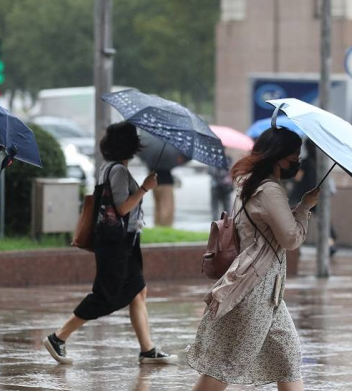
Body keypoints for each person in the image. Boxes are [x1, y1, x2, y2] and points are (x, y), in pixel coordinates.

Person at [187, 127, 319, 391]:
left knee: (288, 358)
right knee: (226, 364)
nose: (297, 161)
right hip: (255, 288)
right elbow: (291, 238)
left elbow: (268, 226)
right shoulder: (270, 190)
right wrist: (305, 207)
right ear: (279, 156)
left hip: (269, 290)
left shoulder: (251, 182)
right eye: (294, 155)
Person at [43, 121, 177, 365]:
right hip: (116, 244)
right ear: (129, 145)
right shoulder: (117, 171)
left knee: (138, 291)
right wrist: (145, 188)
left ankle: (147, 350)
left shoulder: (110, 168)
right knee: (106, 295)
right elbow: (122, 208)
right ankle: (58, 337)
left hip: (125, 242)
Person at [290, 140, 336, 255]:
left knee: (300, 220)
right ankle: (330, 244)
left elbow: (297, 179)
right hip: (318, 196)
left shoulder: (305, 163)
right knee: (323, 222)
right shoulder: (320, 163)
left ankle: (297, 248)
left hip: (304, 197)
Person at [209, 155, 234, 220]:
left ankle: (219, 226)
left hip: (222, 187)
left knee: (224, 208)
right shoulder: (228, 160)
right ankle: (221, 226)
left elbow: (210, 171)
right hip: (220, 187)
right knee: (221, 209)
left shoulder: (213, 160)